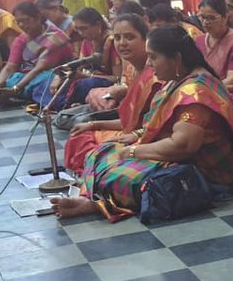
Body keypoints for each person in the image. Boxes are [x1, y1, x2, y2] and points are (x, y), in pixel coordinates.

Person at [52, 24, 233, 221]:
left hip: (206, 171)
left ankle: (95, 203)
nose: (149, 63)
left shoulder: (195, 92)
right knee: (101, 152)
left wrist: (133, 151)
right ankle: (93, 199)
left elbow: (183, 146)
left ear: (177, 58)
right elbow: (159, 124)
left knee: (124, 175)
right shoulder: (176, 80)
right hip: (182, 155)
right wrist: (137, 136)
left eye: (154, 57)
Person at [63, 14, 161, 172]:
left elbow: (154, 125)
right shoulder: (130, 69)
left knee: (97, 152)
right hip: (129, 132)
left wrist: (134, 136)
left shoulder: (157, 75)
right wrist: (93, 124)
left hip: (148, 140)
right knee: (79, 137)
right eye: (117, 37)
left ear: (145, 40)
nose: (122, 43)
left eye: (129, 37)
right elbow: (127, 121)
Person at [0, 0, 73, 106]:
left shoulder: (55, 38)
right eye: (18, 22)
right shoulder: (21, 39)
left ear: (38, 18)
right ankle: (14, 93)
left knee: (45, 81)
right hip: (24, 77)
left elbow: (39, 68)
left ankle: (18, 93)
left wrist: (16, 88)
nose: (22, 25)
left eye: (26, 20)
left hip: (46, 75)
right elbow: (10, 66)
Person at [38, 6, 119, 109]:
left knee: (84, 85)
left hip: (102, 82)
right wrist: (61, 77)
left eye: (84, 28)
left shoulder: (111, 42)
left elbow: (117, 78)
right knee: (45, 84)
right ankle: (65, 104)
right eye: (78, 29)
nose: (81, 33)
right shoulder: (87, 41)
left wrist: (86, 77)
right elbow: (79, 66)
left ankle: (64, 104)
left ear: (98, 25)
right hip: (86, 77)